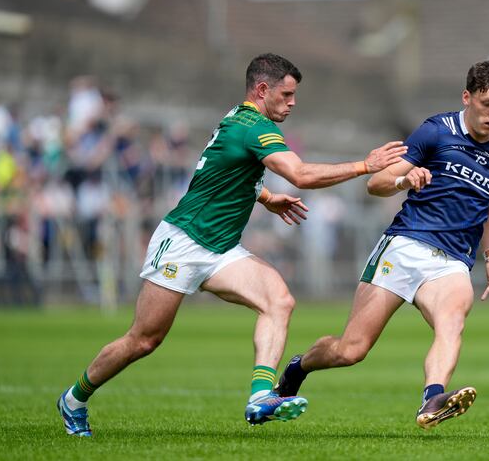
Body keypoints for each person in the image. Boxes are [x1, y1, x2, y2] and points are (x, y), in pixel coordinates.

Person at [56, 53, 407, 437]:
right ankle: (74, 399)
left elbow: (223, 170)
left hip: (221, 249)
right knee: (143, 340)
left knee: (279, 301)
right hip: (183, 242)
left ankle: (260, 397)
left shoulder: (239, 119)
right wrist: (364, 166)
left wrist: (265, 196)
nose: (292, 103)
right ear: (262, 90)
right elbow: (302, 174)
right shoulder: (254, 127)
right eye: (287, 95)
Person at [274, 60, 489, 429]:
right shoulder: (436, 131)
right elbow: (375, 184)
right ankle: (298, 367)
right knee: (351, 350)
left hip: (453, 261)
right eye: (487, 103)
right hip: (406, 244)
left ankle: (432, 399)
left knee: (452, 322)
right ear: (467, 97)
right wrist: (407, 178)